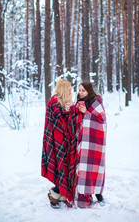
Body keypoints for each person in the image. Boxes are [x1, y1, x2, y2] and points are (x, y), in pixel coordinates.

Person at [41, 79, 77, 209]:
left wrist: (69, 111)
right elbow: (59, 124)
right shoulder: (54, 102)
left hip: (62, 143)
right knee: (60, 167)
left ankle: (61, 192)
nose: (70, 91)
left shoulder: (62, 103)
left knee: (64, 167)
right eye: (68, 89)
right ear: (63, 89)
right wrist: (67, 111)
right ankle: (54, 193)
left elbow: (68, 122)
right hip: (55, 143)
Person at [74, 81, 107, 208]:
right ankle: (87, 194)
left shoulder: (96, 102)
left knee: (95, 168)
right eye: (79, 90)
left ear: (89, 91)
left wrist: (87, 113)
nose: (80, 92)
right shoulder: (79, 102)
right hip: (82, 142)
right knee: (84, 169)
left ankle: (98, 193)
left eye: (83, 90)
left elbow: (102, 121)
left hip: (94, 143)